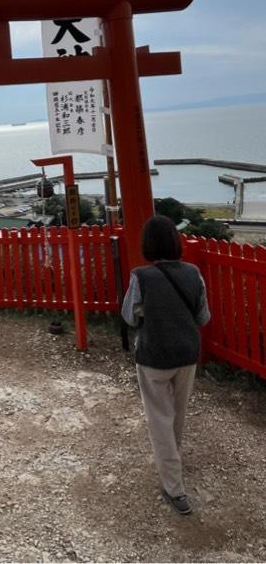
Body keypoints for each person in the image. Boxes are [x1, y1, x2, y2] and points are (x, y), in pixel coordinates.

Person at [122, 214, 211, 516]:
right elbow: (203, 318)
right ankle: (172, 460)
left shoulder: (141, 276)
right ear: (176, 242)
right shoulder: (193, 273)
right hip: (187, 355)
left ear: (147, 245)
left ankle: (174, 488)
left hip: (154, 357)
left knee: (159, 419)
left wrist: (149, 311)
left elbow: (129, 317)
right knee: (178, 414)